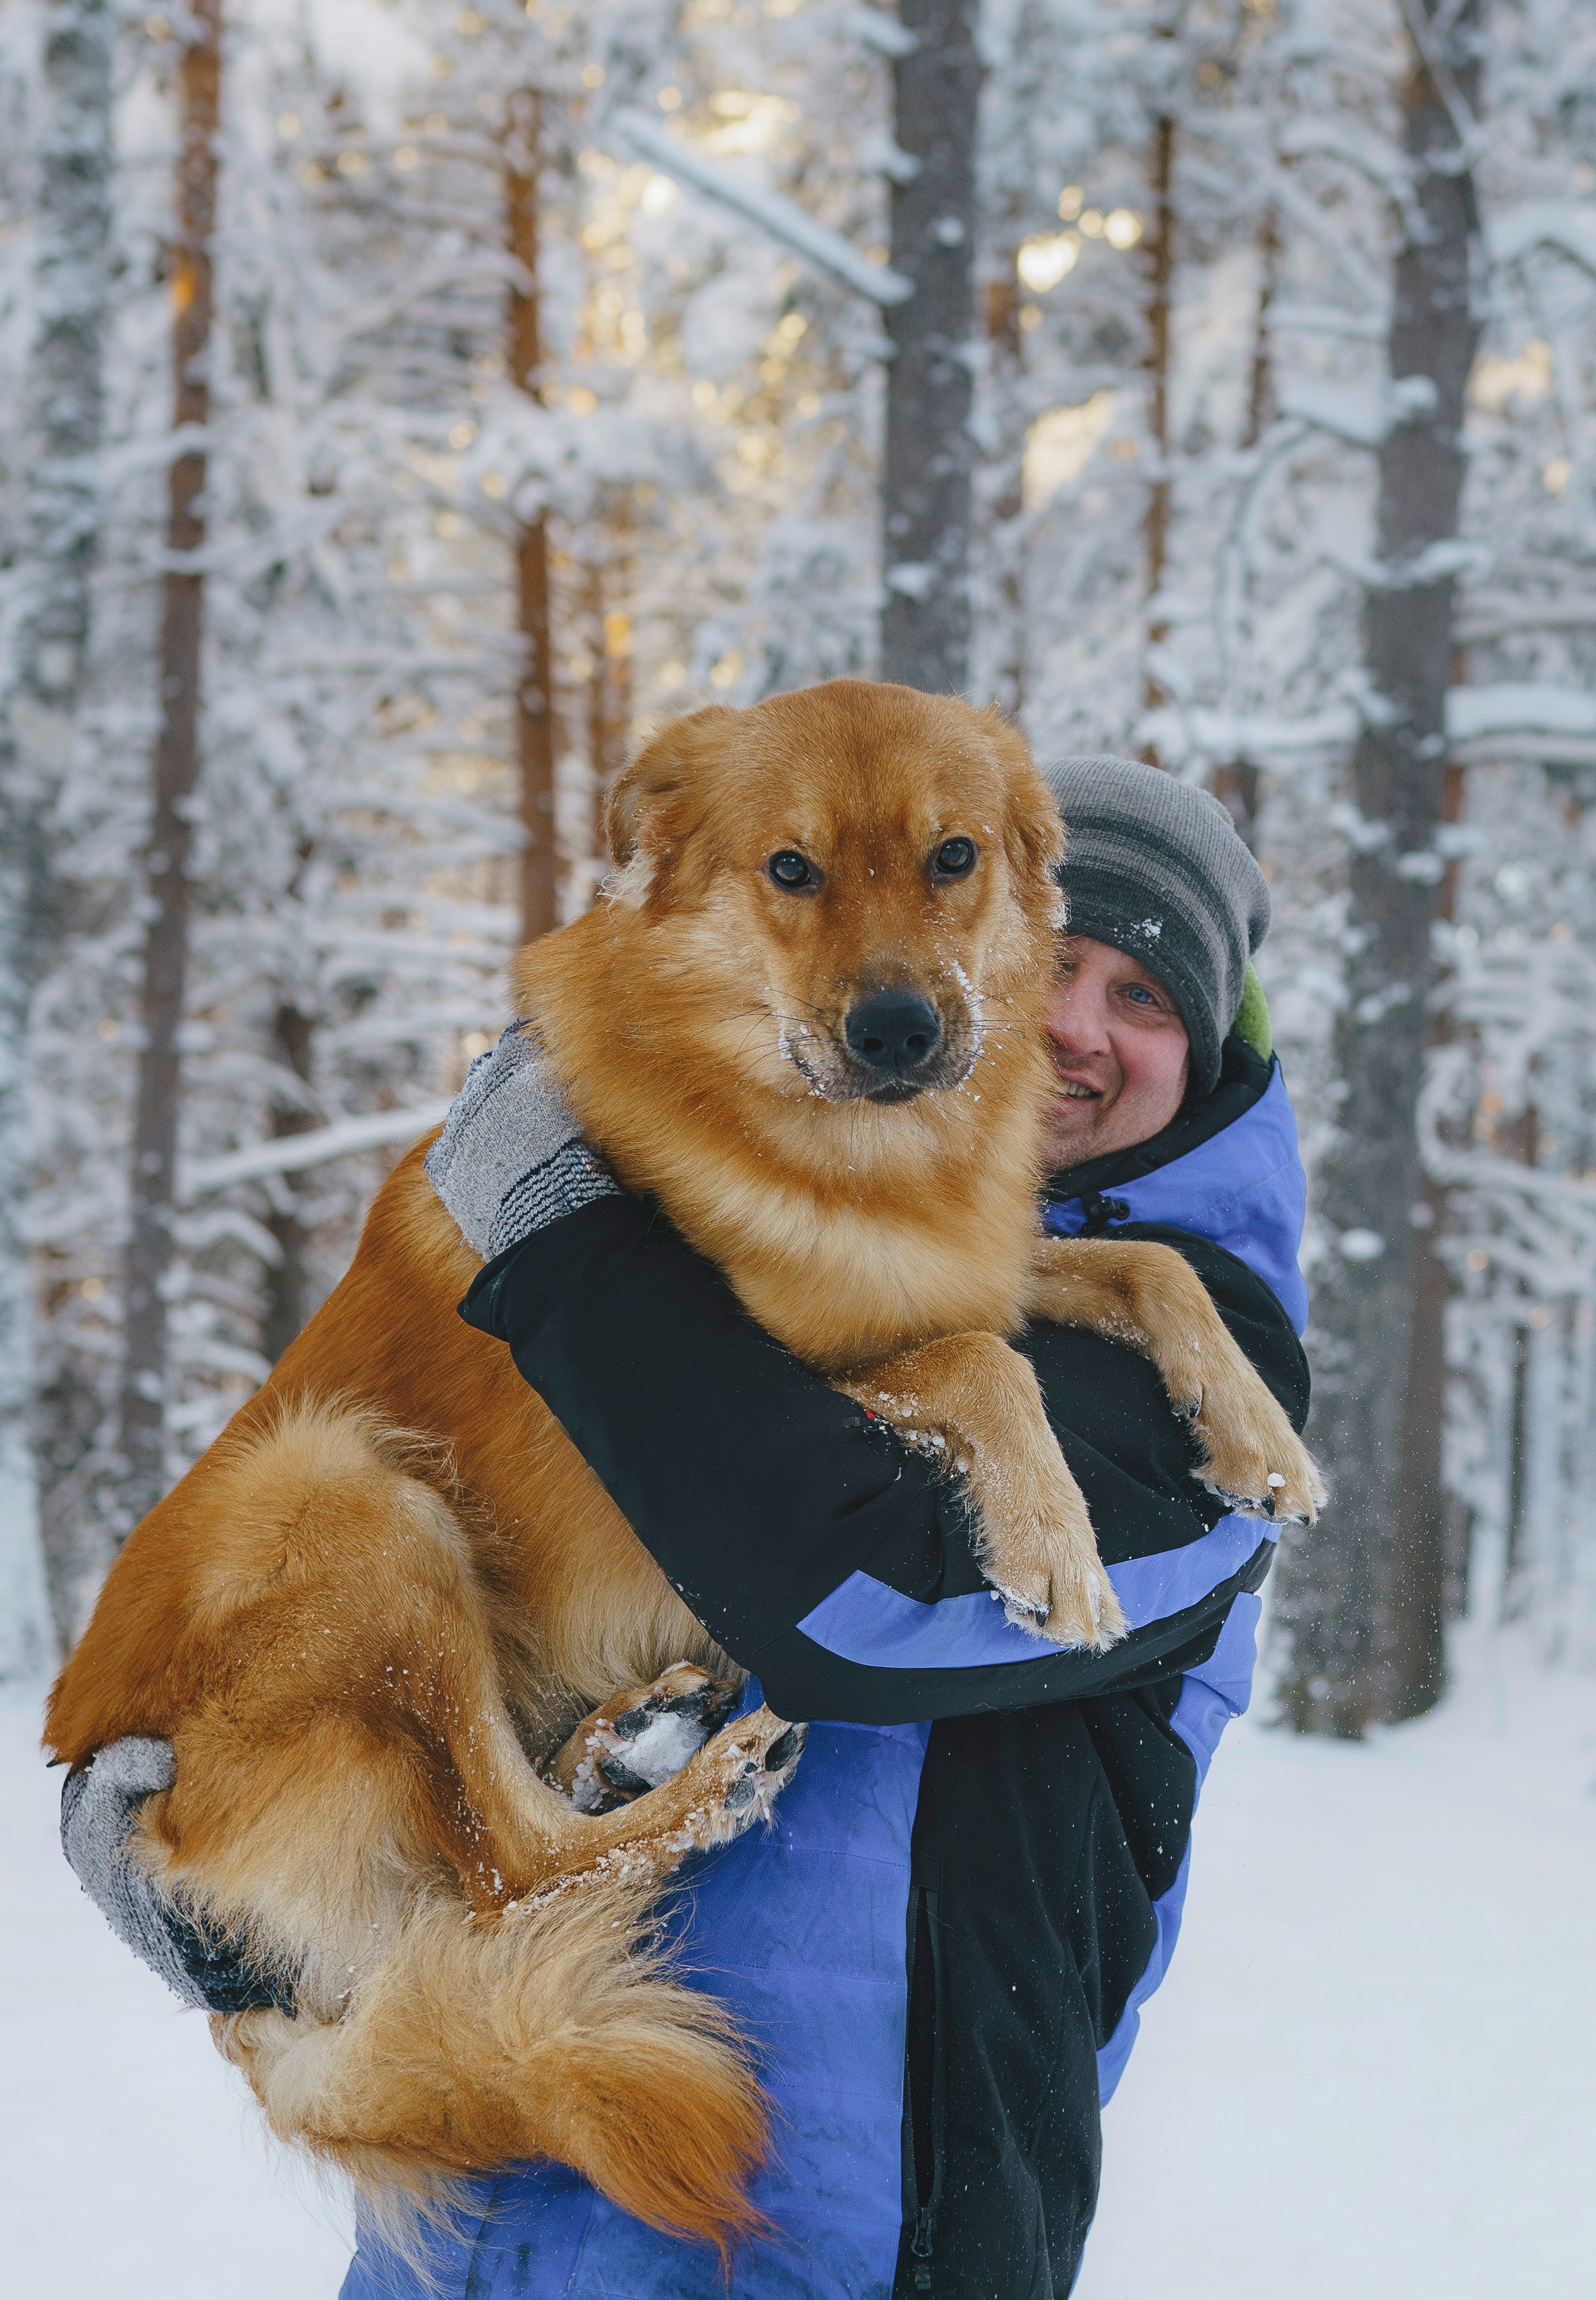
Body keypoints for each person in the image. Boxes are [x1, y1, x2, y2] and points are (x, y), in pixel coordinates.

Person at [65, 757, 1310, 2300]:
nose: (1073, 1027)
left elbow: (850, 1591)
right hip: (496, 2214)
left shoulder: (1211, 1381)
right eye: (1060, 965)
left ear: (1215, 1051)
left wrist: (564, 1230)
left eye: (1148, 1003)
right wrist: (208, 1846)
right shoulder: (820, 1187)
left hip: (827, 2235)